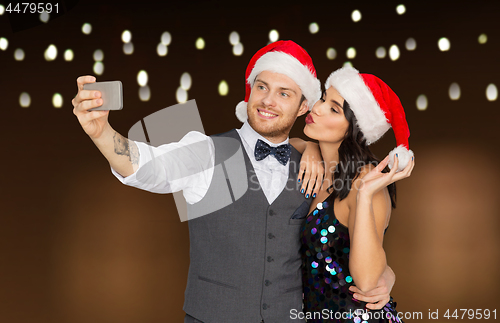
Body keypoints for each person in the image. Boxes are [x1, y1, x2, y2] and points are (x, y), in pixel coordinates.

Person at [72, 41, 396, 323]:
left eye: (284, 93)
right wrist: (102, 133)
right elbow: (145, 163)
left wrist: (386, 276)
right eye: (262, 87)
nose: (268, 100)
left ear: (303, 108)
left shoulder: (318, 169)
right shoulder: (208, 150)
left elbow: (343, 245)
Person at [291, 66, 415, 322]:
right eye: (324, 98)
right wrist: (311, 147)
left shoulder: (366, 180)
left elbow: (368, 282)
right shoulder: (319, 165)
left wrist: (366, 195)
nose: (318, 107)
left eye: (334, 109)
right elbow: (285, 144)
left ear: (354, 130)